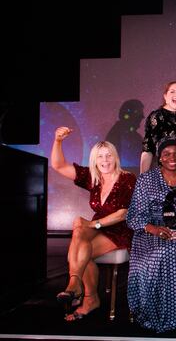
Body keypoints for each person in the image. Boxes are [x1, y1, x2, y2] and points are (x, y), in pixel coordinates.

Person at [51, 127, 136, 321]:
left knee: (79, 247)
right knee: (79, 230)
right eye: (100, 157)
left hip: (120, 230)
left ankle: (84, 294)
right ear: (94, 160)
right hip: (97, 227)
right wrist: (58, 141)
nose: (105, 160)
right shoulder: (92, 177)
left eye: (108, 156)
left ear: (115, 157)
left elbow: (123, 214)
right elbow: (58, 165)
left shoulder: (127, 178)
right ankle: (78, 286)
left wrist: (95, 224)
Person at [127, 138, 176, 334]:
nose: (172, 157)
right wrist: (153, 229)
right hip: (151, 233)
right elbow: (135, 215)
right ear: (160, 158)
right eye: (167, 154)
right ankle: (155, 313)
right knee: (158, 255)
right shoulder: (146, 180)